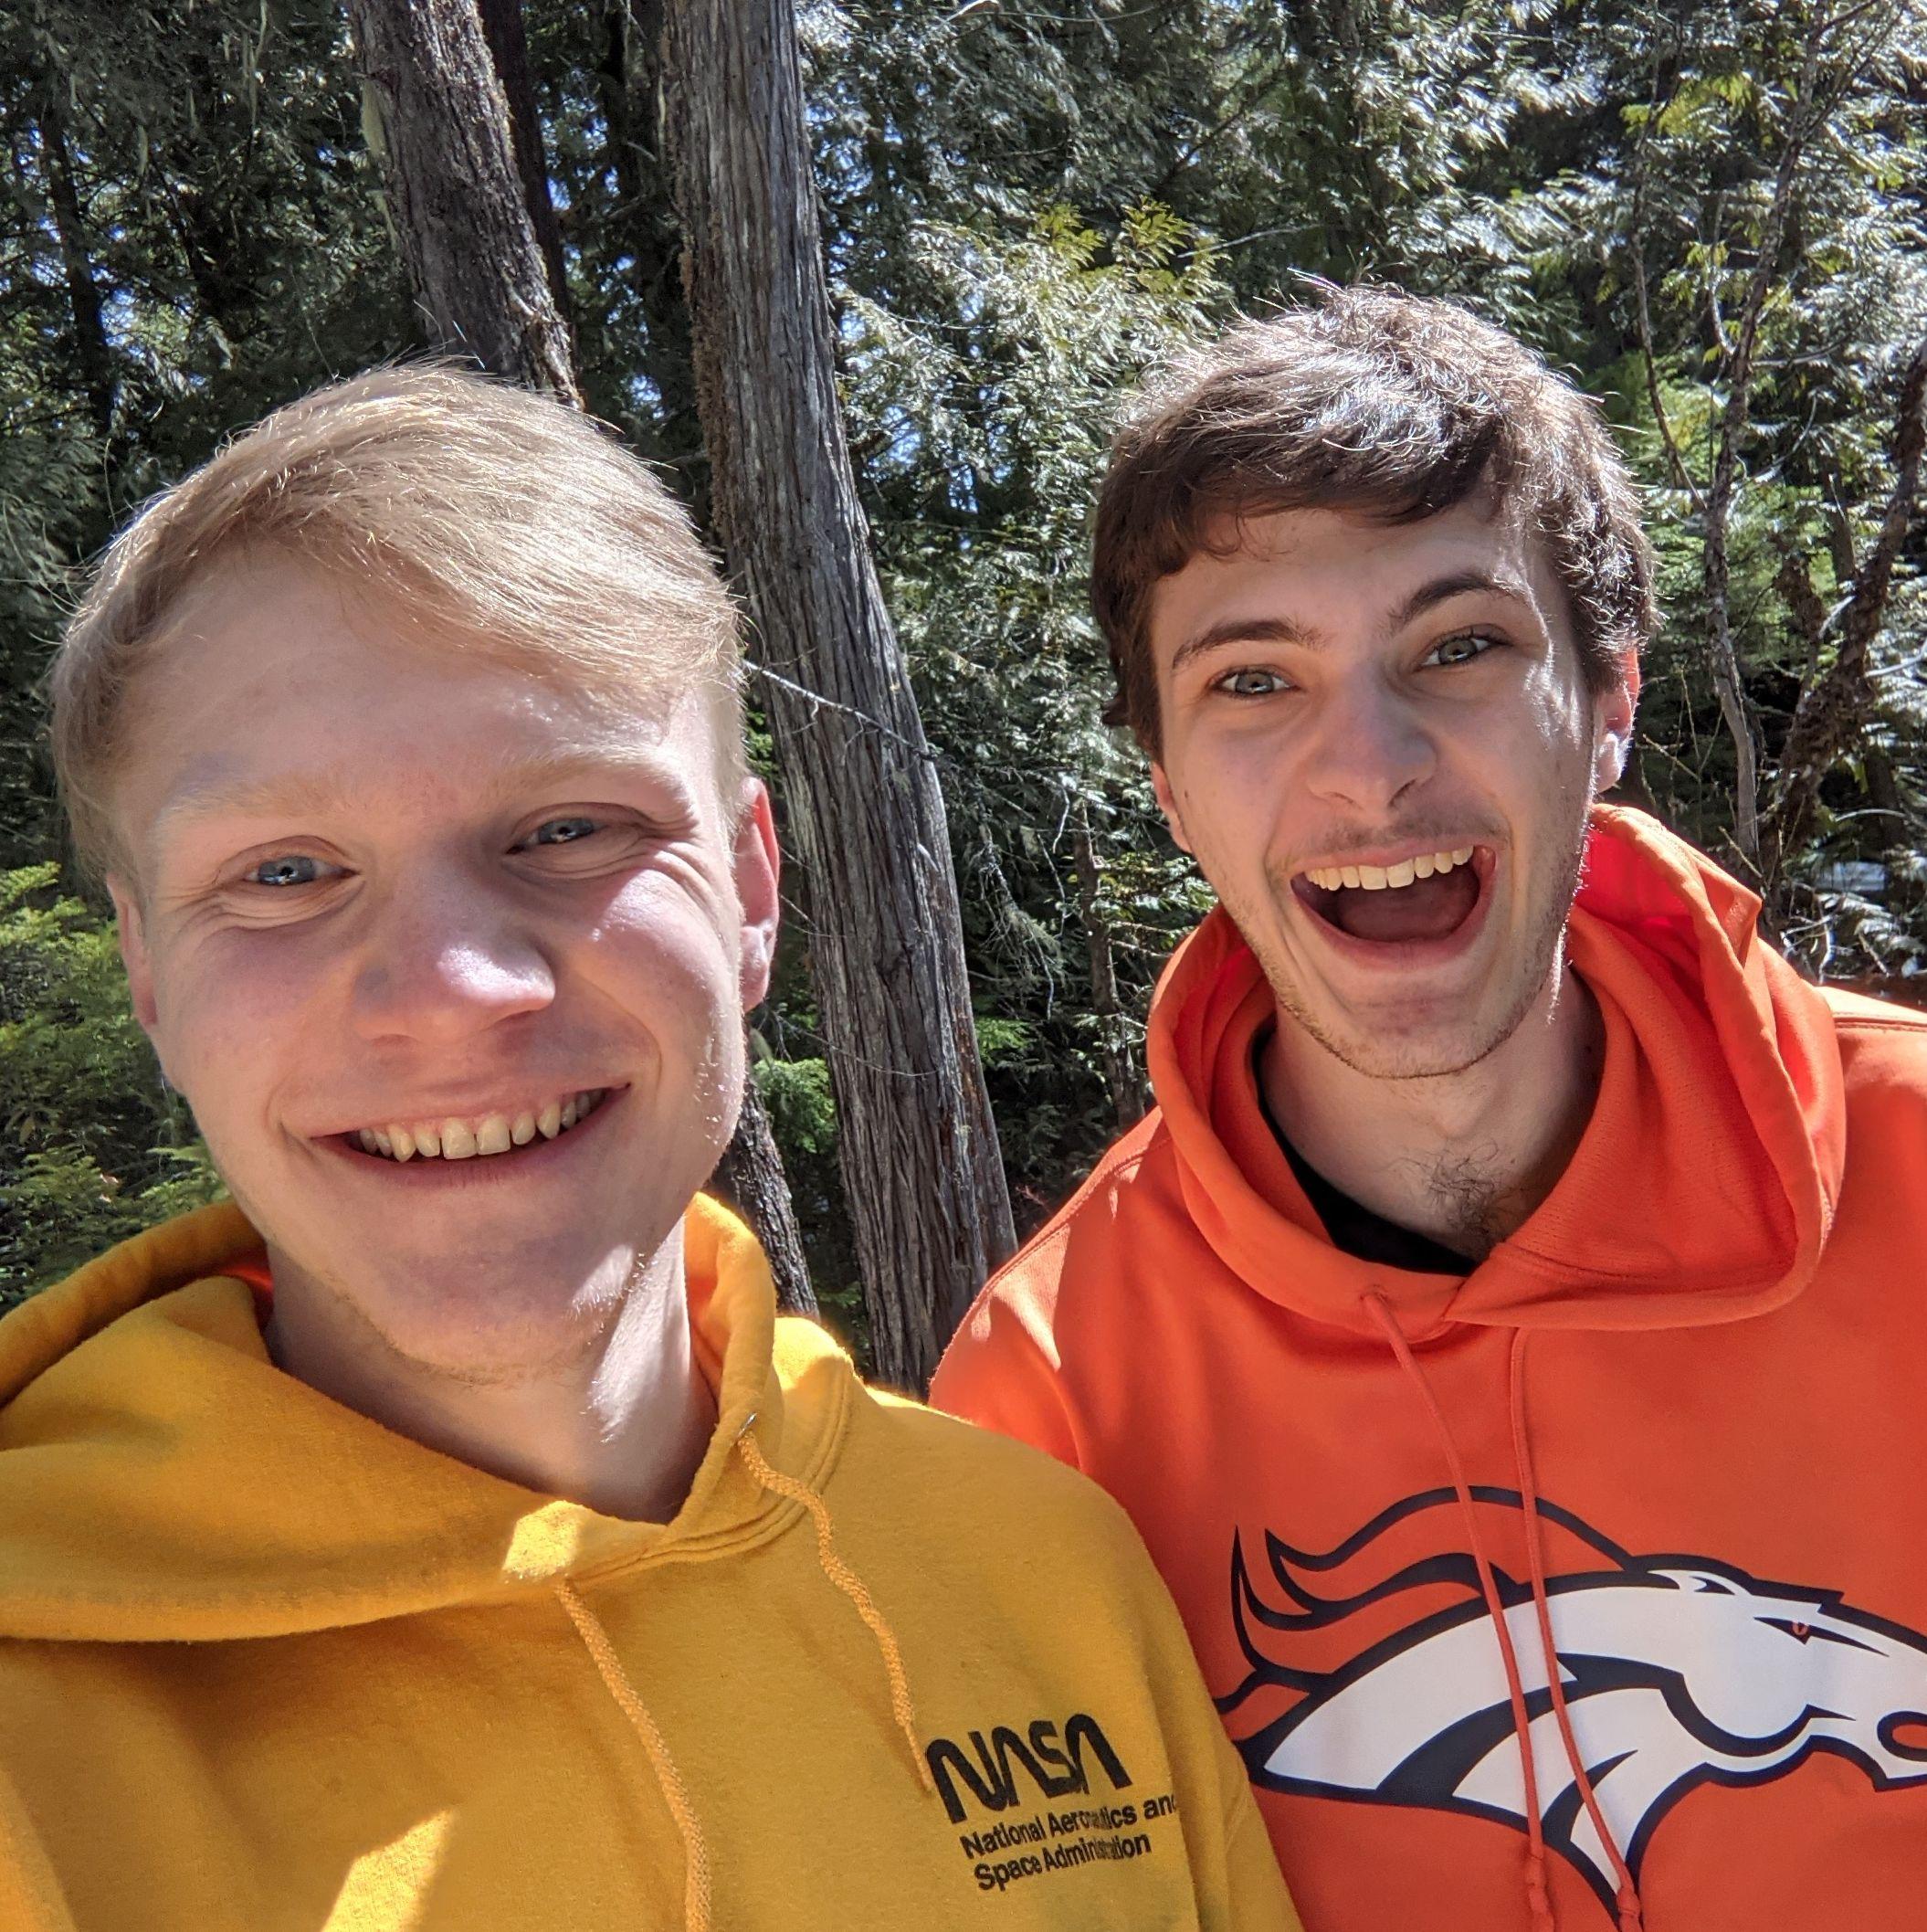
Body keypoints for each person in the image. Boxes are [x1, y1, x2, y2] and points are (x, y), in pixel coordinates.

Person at [5, 366, 1299, 1932]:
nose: (457, 987)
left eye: (567, 831)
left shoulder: (1045, 1571)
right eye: (284, 872)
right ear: (149, 973)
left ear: (751, 889)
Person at [932, 286, 1927, 1932]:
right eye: (1254, 681)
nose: (1368, 764)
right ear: (1168, 788)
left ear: (1608, 704)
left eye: (1458, 647)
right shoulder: (1051, 1394)